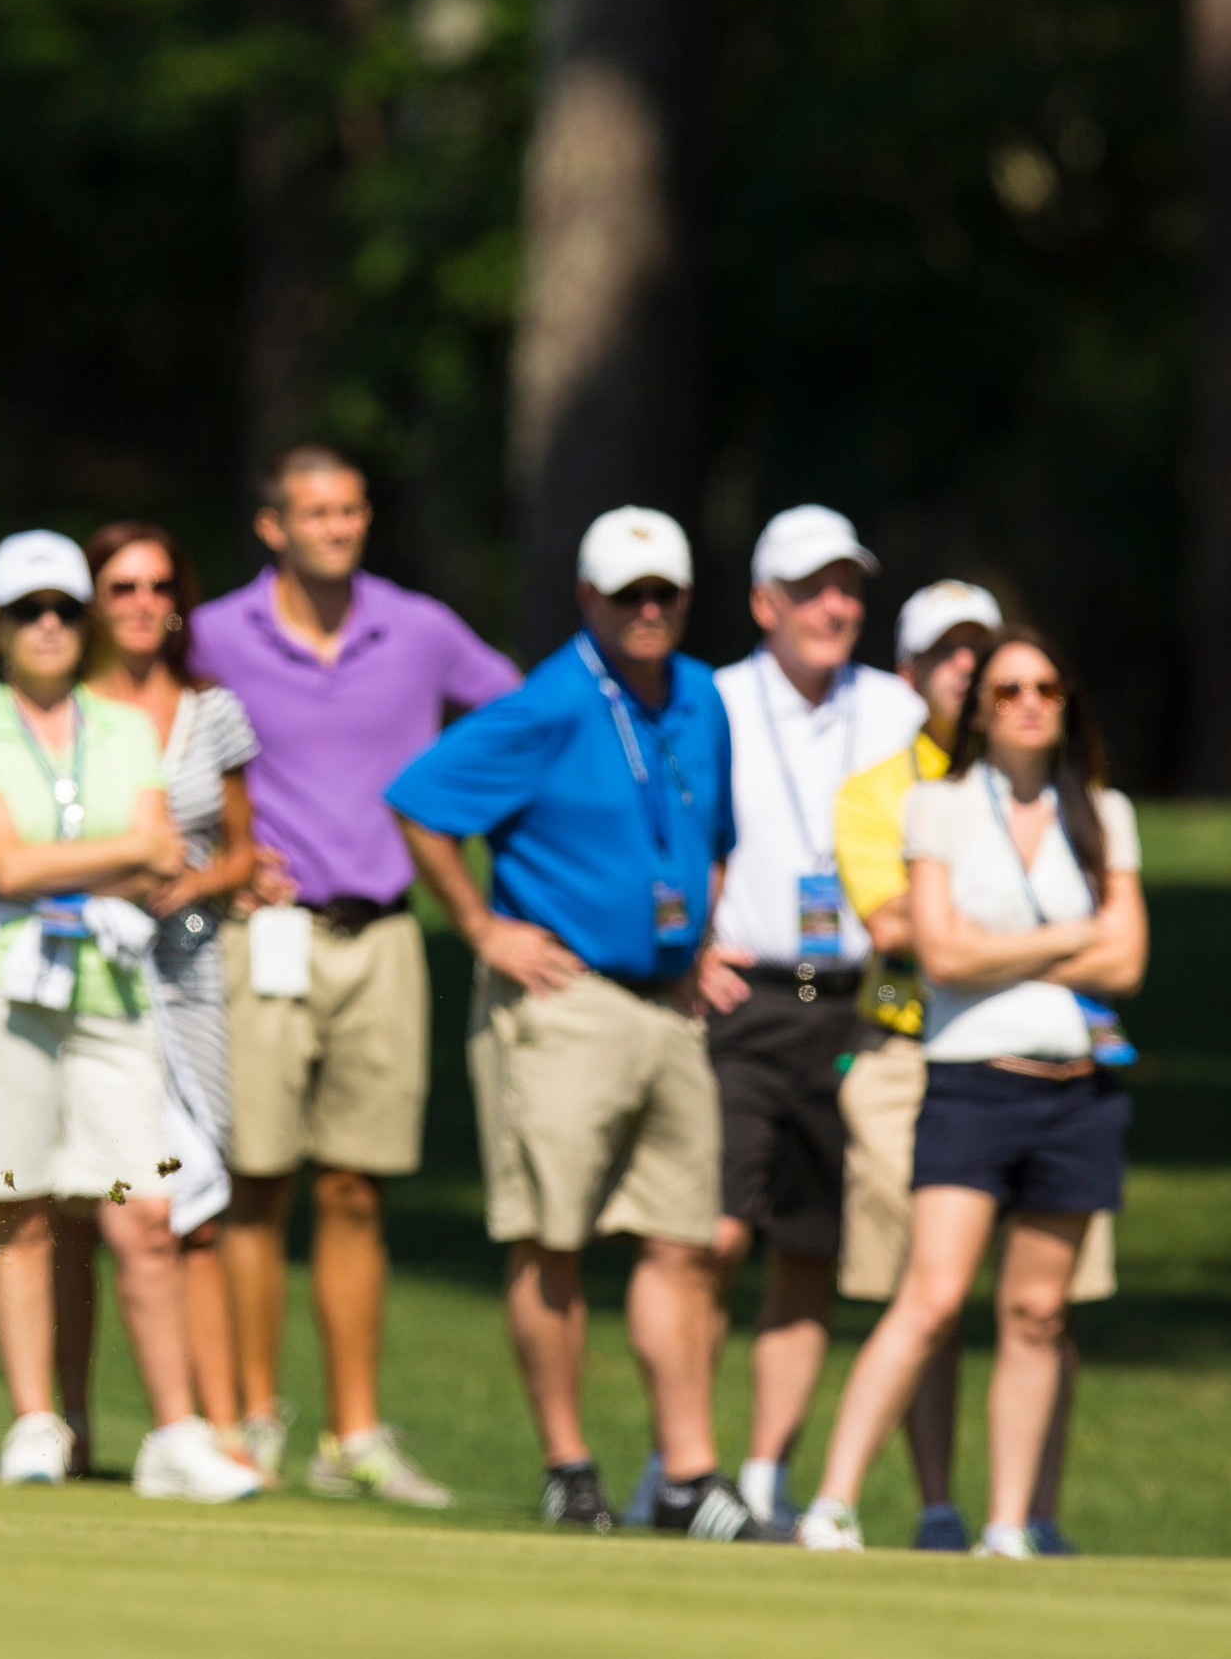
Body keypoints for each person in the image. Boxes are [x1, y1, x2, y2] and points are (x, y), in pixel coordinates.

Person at [391, 509, 784, 1542]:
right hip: (561, 1001)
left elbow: (712, 834)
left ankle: (691, 1478)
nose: (647, 610)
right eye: (627, 594)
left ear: (686, 599)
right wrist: (482, 925)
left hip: (667, 1007)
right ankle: (569, 1465)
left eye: (663, 593)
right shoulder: (552, 701)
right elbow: (420, 800)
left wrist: (697, 936)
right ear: (588, 599)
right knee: (550, 1236)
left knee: (680, 1241)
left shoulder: (701, 695)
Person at [189, 444, 520, 1504]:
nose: (337, 526)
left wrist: (466, 829)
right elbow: (150, 744)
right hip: (264, 938)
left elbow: (517, 719)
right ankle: (249, 1418)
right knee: (257, 1182)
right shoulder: (216, 634)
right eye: (315, 512)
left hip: (382, 935)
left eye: (351, 510)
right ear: (272, 527)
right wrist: (214, 862)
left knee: (354, 1187)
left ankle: (354, 1434)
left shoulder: (415, 629)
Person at [798, 626, 1147, 1557]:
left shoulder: (1103, 813)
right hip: (970, 1082)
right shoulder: (937, 809)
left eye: (1045, 688)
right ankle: (832, 1503)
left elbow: (1130, 956)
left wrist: (1011, 956)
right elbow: (940, 953)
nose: (1028, 703)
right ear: (977, 711)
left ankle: (1009, 1525)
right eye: (1006, 690)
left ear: (1067, 704)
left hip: (1077, 1086)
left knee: (1037, 1314)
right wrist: (1065, 945)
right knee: (934, 1296)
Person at [0, 531, 262, 1503]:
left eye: (64, 610)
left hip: (114, 997)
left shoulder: (123, 727)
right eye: (29, 610)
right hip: (5, 989)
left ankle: (172, 1433)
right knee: (19, 1206)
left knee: (144, 1214)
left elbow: (165, 855)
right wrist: (114, 850)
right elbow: (0, 863)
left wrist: (82, 856)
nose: (48, 626)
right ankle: (36, 1419)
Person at [690, 505, 924, 1529]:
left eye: (846, 588)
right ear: (762, 603)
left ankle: (760, 1477)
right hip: (746, 996)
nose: (833, 607)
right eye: (810, 588)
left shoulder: (892, 707)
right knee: (714, 1235)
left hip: (858, 1003)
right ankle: (683, 1462)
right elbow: (682, 825)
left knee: (807, 1248)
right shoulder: (715, 700)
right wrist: (688, 943)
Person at [54, 521, 261, 1470]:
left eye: (155, 587)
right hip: (81, 972)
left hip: (186, 976)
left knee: (196, 1201)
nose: (140, 604)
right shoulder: (62, 707)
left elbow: (245, 849)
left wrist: (197, 883)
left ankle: (213, 1427)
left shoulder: (211, 710)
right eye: (122, 587)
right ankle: (68, 1425)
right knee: (75, 1201)